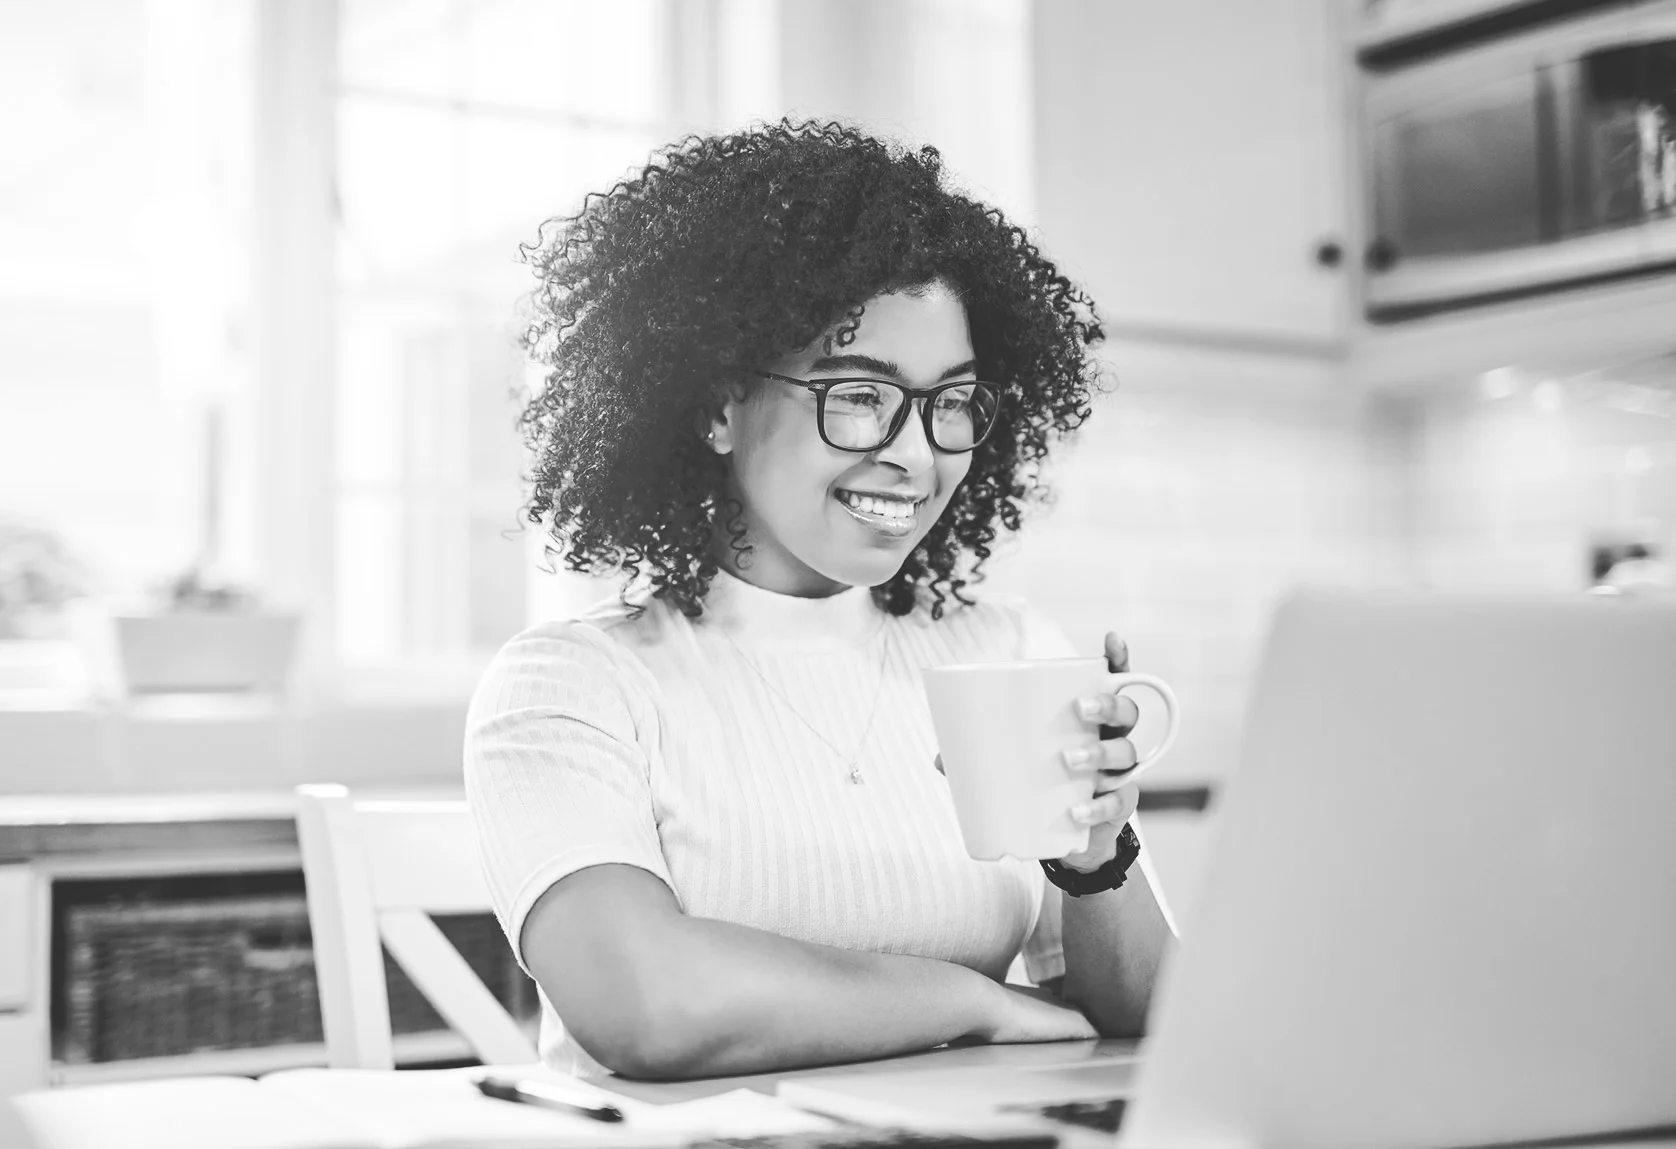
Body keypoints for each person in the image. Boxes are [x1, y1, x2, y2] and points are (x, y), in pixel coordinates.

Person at [465, 119, 1176, 1081]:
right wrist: (967, 998)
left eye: (953, 401)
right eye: (857, 394)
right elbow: (647, 1005)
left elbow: (1140, 1024)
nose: (918, 453)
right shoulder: (575, 684)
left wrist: (1097, 859)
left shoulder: (1004, 648)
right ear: (719, 404)